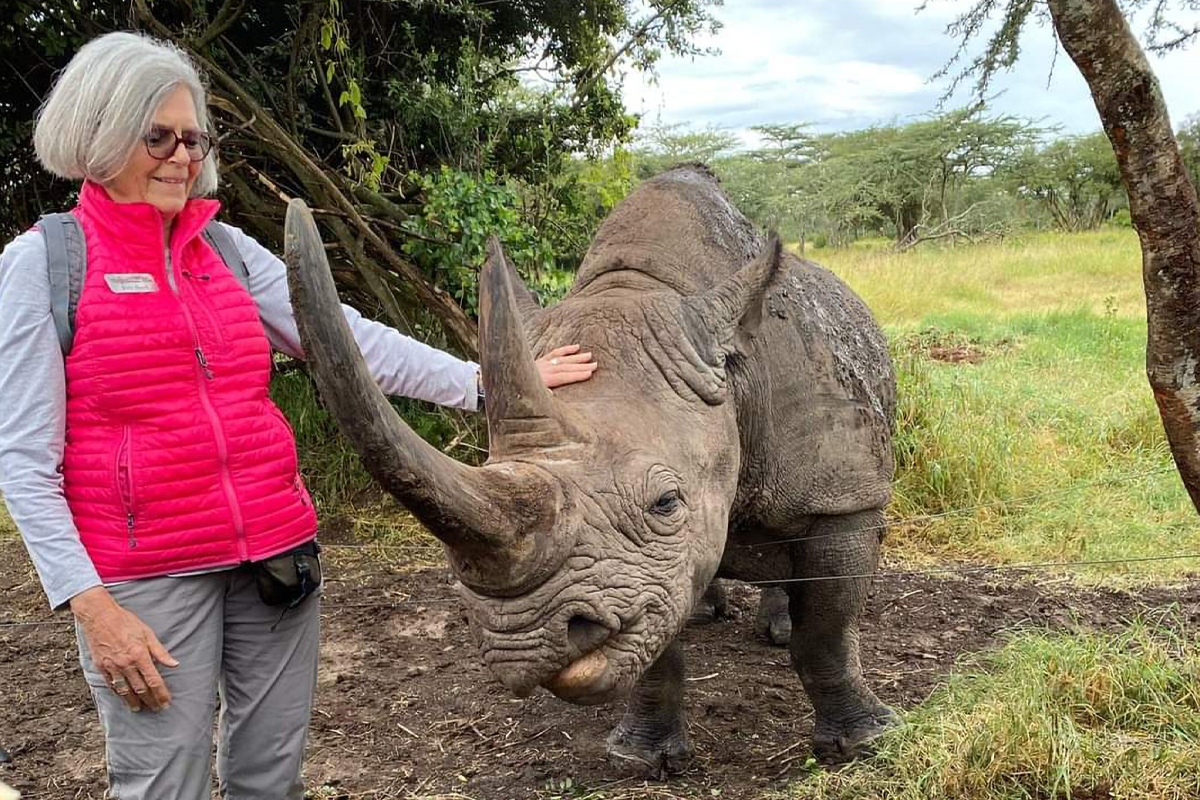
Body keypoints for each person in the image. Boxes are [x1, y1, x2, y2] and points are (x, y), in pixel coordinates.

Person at [0, 31, 596, 800]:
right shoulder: (44, 265)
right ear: (99, 132)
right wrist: (92, 608)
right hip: (143, 581)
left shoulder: (225, 249)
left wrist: (488, 385)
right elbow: (23, 460)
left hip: (276, 561)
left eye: (193, 137)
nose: (182, 156)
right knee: (160, 784)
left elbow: (347, 340)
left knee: (269, 776)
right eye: (158, 137)